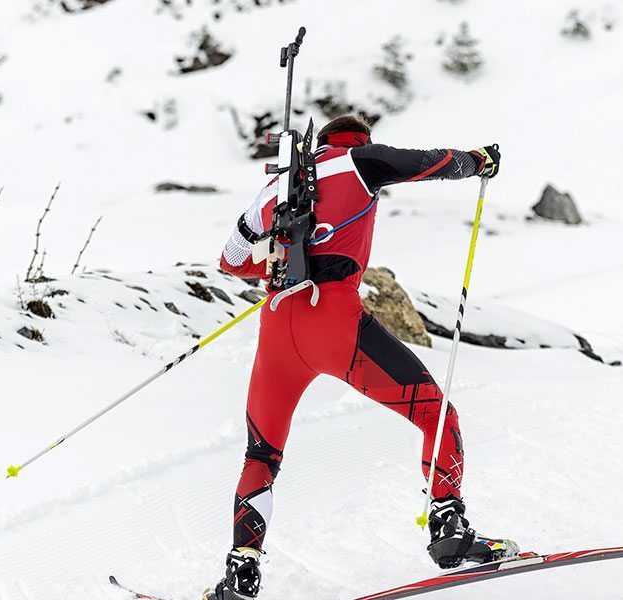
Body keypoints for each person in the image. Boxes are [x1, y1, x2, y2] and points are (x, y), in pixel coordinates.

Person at [204, 114, 515, 600]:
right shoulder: (361, 160)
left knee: (261, 454)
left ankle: (242, 570)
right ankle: (448, 528)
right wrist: (479, 162)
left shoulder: (277, 186)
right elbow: (430, 164)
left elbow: (229, 260)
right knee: (437, 415)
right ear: (359, 139)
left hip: (277, 330)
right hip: (334, 320)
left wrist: (273, 259)